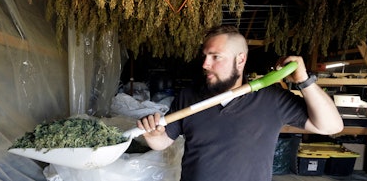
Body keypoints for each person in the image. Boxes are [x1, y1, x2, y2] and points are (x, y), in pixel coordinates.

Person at [137, 25, 343, 181]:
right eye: (205, 56)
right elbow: (163, 142)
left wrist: (304, 81)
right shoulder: (189, 96)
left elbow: (331, 126)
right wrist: (153, 136)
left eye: (215, 57)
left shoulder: (272, 99)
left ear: (240, 60)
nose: (205, 64)